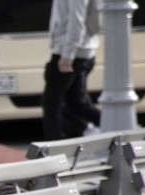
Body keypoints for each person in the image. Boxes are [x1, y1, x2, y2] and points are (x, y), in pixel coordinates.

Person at [41, 0, 102, 140]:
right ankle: (113, 128)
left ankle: (53, 146)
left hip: (70, 52)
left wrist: (67, 55)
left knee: (51, 102)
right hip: (81, 51)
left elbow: (77, 21)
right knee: (76, 102)